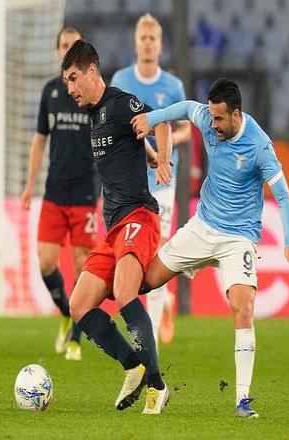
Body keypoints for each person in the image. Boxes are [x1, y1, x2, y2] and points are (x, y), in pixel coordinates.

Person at [131, 78, 289, 418]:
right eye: (211, 117)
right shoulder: (208, 119)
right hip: (202, 226)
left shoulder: (259, 146)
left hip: (238, 238)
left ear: (236, 115)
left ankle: (242, 400)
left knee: (243, 307)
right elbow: (186, 108)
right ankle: (156, 324)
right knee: (144, 282)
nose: (212, 125)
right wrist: (152, 119)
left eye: (219, 119)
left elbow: (284, 196)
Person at [62, 40, 173, 414]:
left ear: (92, 71)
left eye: (73, 78)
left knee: (126, 293)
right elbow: (130, 142)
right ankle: (133, 366)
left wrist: (163, 158)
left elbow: (161, 121)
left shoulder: (122, 103)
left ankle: (156, 385)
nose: (70, 89)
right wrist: (149, 153)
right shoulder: (93, 117)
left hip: (138, 216)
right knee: (79, 306)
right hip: (113, 229)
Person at [111, 13, 191, 347]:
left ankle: (152, 337)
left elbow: (185, 129)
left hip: (162, 180)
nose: (147, 44)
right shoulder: (121, 79)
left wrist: (164, 146)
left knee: (158, 253)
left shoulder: (172, 86)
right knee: (134, 256)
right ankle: (165, 303)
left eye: (152, 39)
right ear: (136, 44)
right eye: (142, 39)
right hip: (128, 181)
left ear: (160, 45)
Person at [21, 27, 98, 362]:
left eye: (74, 45)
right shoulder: (50, 92)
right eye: (64, 45)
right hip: (54, 192)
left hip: (84, 194)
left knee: (83, 265)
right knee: (46, 262)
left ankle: (76, 339)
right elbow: (40, 140)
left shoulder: (92, 95)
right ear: (57, 51)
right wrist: (29, 185)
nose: (68, 49)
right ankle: (66, 313)